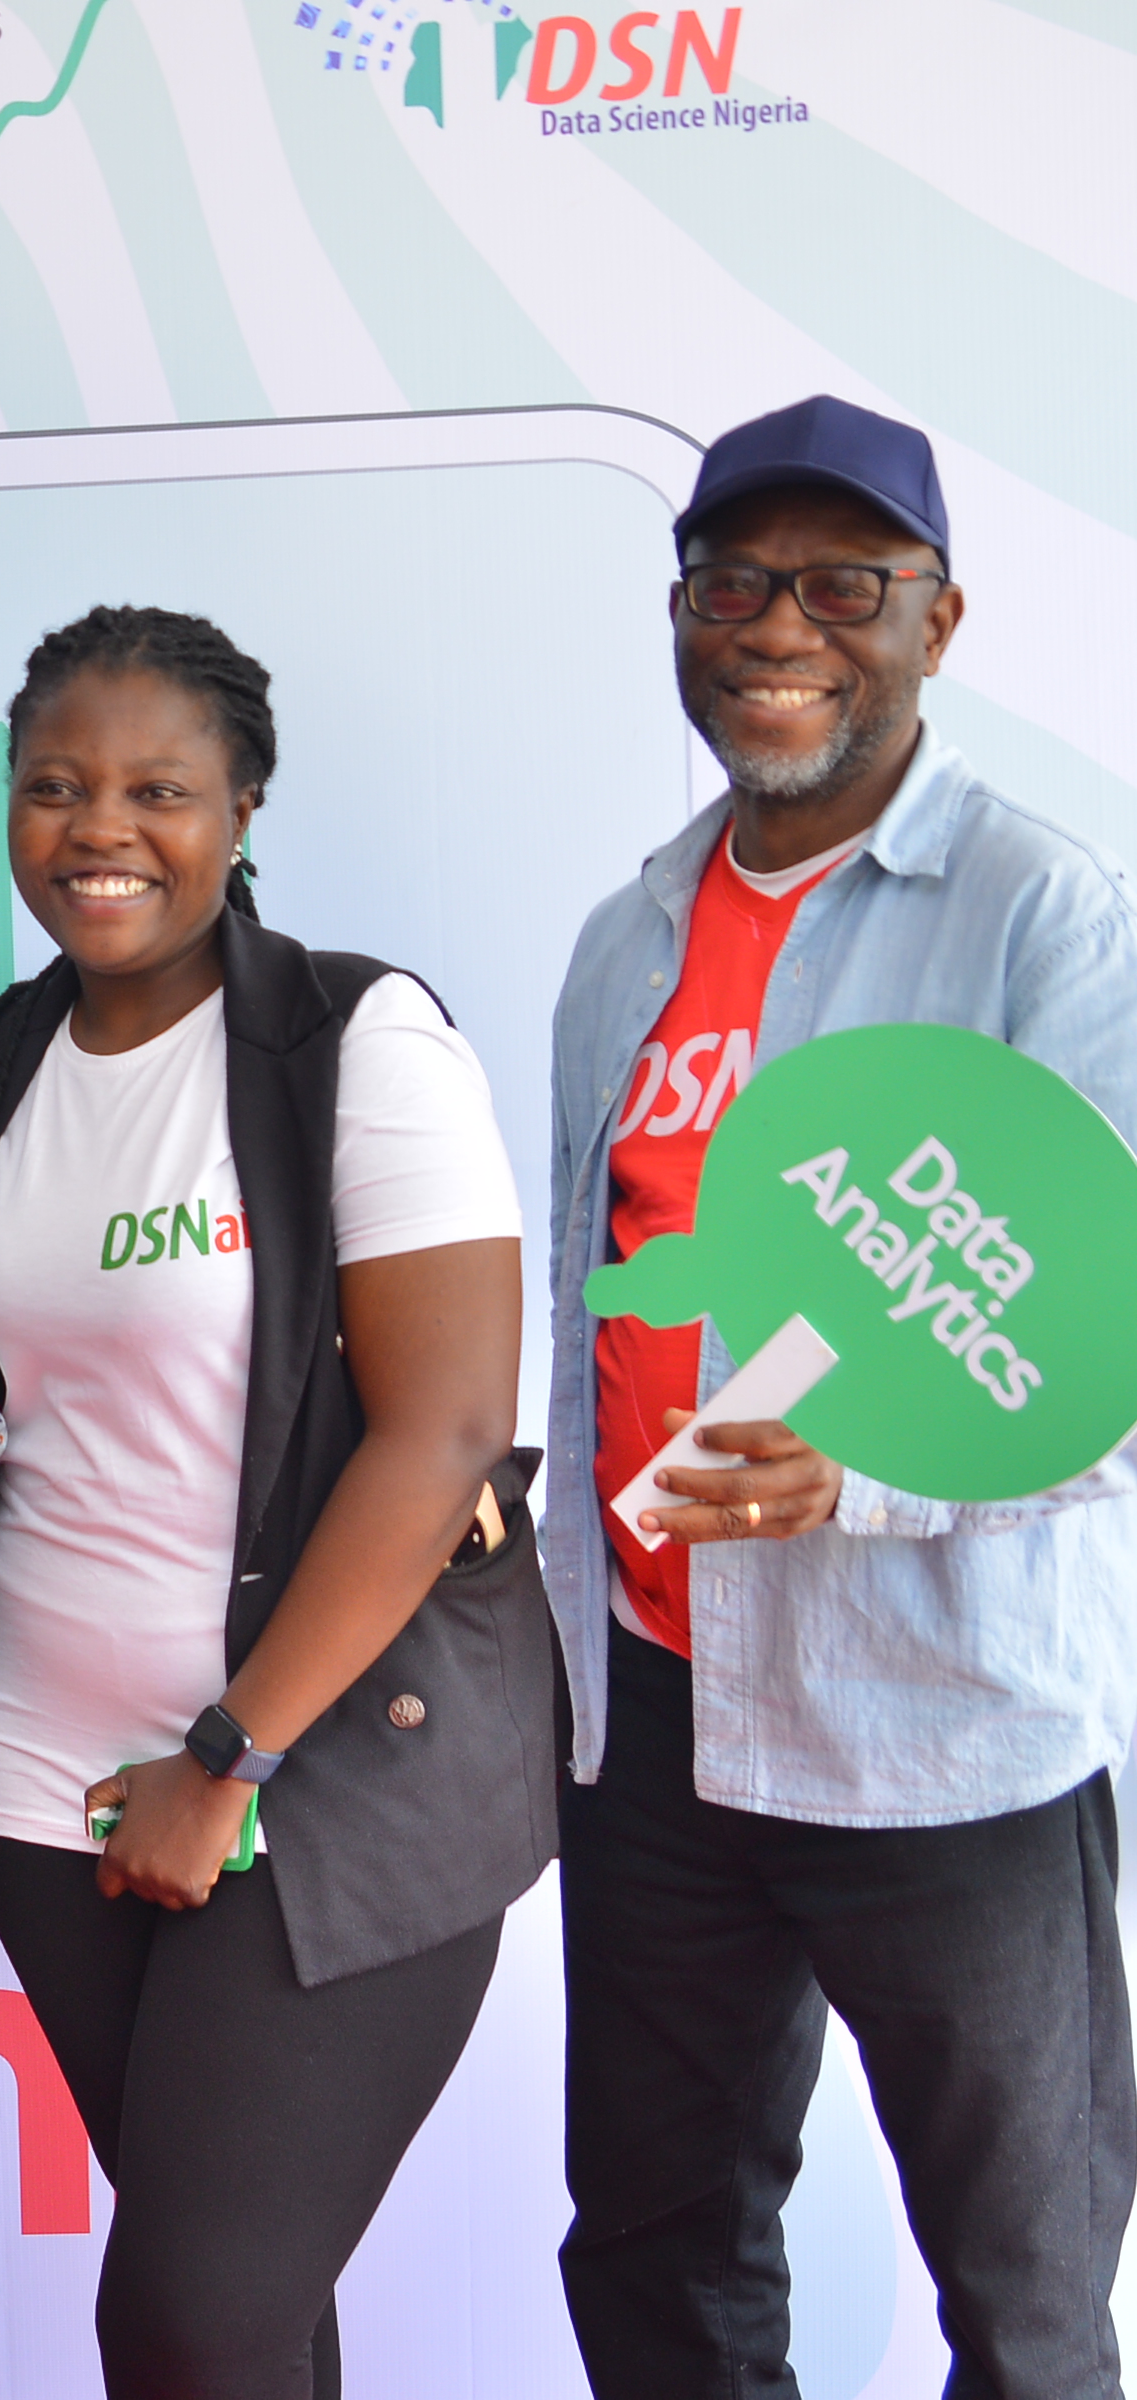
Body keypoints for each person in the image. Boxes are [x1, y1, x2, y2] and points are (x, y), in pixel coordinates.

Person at [546, 396, 1137, 2393]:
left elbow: (1116, 1346)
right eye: (732, 586)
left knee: (1025, 2304)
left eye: (841, 586)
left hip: (939, 1735)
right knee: (659, 2259)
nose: (779, 629)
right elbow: (606, 1300)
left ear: (937, 622)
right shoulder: (625, 938)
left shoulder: (1039, 911)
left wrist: (863, 1477)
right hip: (658, 1725)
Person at [0, 606, 549, 2398]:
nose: (99, 830)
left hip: (315, 1785)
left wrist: (229, 1759)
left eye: (158, 790)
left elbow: (446, 1434)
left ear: (244, 807)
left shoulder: (355, 1038)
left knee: (189, 2326)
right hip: (43, 1794)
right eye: (54, 787)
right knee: (250, 2324)